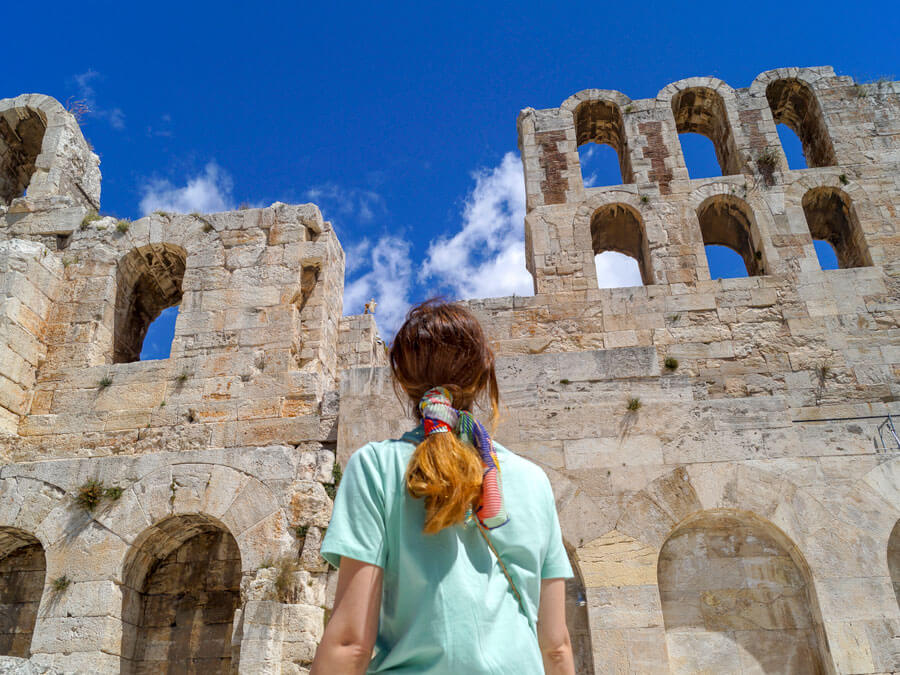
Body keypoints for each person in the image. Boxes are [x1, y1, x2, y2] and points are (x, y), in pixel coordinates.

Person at [310, 299, 576, 674]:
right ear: (483, 378)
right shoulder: (535, 482)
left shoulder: (376, 466)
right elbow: (556, 645)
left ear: (403, 382)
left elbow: (351, 643)